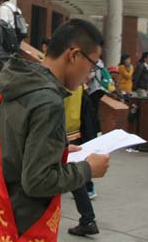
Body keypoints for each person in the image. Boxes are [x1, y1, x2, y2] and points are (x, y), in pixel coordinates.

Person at [0, 19, 110, 242]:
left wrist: (58, 150)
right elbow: (38, 181)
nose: (89, 74)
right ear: (74, 55)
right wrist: (87, 169)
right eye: (92, 65)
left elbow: (16, 144)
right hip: (20, 228)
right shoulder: (48, 100)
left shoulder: (17, 81)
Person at [63, 85, 101, 237]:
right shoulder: (78, 84)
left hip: (61, 134)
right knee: (75, 178)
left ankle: (88, 220)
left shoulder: (60, 81)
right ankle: (88, 220)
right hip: (75, 133)